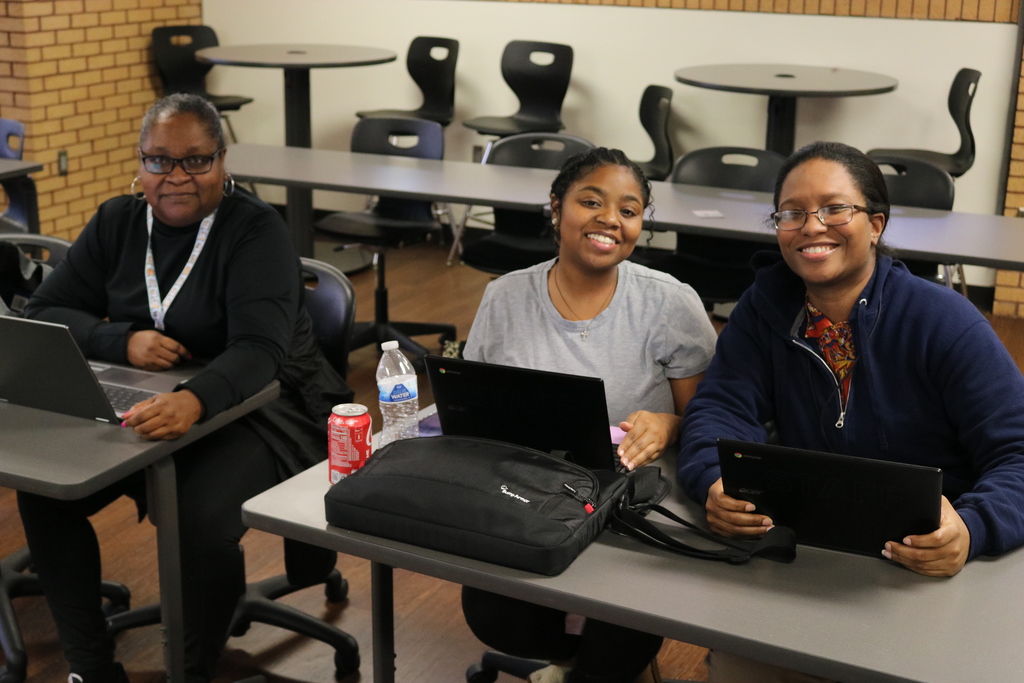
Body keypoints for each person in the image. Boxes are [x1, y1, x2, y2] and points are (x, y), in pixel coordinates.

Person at [18, 93, 353, 683]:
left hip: (264, 405)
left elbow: (260, 351)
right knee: (45, 493)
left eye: (196, 161)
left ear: (222, 162)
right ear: (139, 163)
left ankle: (191, 671)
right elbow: (46, 310)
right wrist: (116, 341)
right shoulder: (117, 221)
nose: (176, 177)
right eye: (159, 160)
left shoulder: (255, 230)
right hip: (148, 396)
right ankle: (91, 668)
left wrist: (195, 400)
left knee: (196, 519)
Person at [677, 141, 1024, 682]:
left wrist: (974, 528)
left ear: (876, 224)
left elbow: (1019, 452)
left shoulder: (946, 322)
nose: (812, 226)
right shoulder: (763, 309)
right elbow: (719, 408)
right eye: (792, 212)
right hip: (806, 558)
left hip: (924, 570)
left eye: (836, 208)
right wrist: (714, 481)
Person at [462, 147, 718, 683]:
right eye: (591, 201)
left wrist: (668, 424)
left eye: (629, 210)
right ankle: (579, 664)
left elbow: (709, 422)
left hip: (632, 507)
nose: (610, 220)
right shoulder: (505, 296)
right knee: (493, 614)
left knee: (625, 626)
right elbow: (473, 411)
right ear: (556, 207)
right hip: (525, 497)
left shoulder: (671, 304)